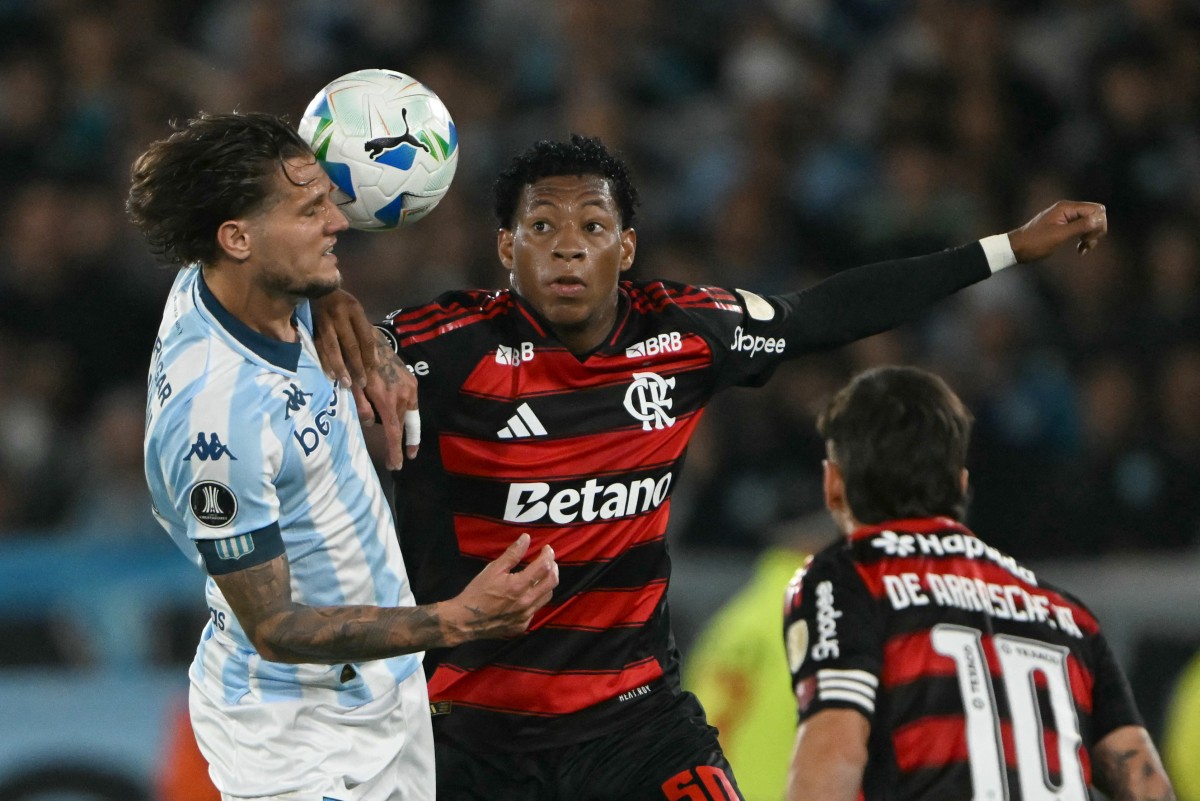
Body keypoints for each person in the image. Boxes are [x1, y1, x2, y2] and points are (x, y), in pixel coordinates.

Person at [314, 134, 1107, 800]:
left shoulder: (687, 332)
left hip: (634, 722)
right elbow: (328, 357)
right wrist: (326, 311)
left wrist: (1008, 248)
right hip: (471, 736)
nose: (566, 243)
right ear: (505, 248)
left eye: (592, 224)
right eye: (541, 225)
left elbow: (824, 314)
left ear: (624, 248)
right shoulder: (444, 343)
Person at [127, 111, 559, 801]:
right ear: (238, 238)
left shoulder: (239, 278)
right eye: (311, 210)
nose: (340, 222)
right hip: (299, 736)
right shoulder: (217, 422)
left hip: (384, 687)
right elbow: (276, 625)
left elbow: (247, 242)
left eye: (329, 198)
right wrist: (457, 619)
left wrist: (331, 297)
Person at [781, 365, 1175, 801]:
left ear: (833, 484)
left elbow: (835, 749)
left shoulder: (849, 578)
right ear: (961, 483)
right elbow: (1146, 783)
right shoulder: (1068, 615)